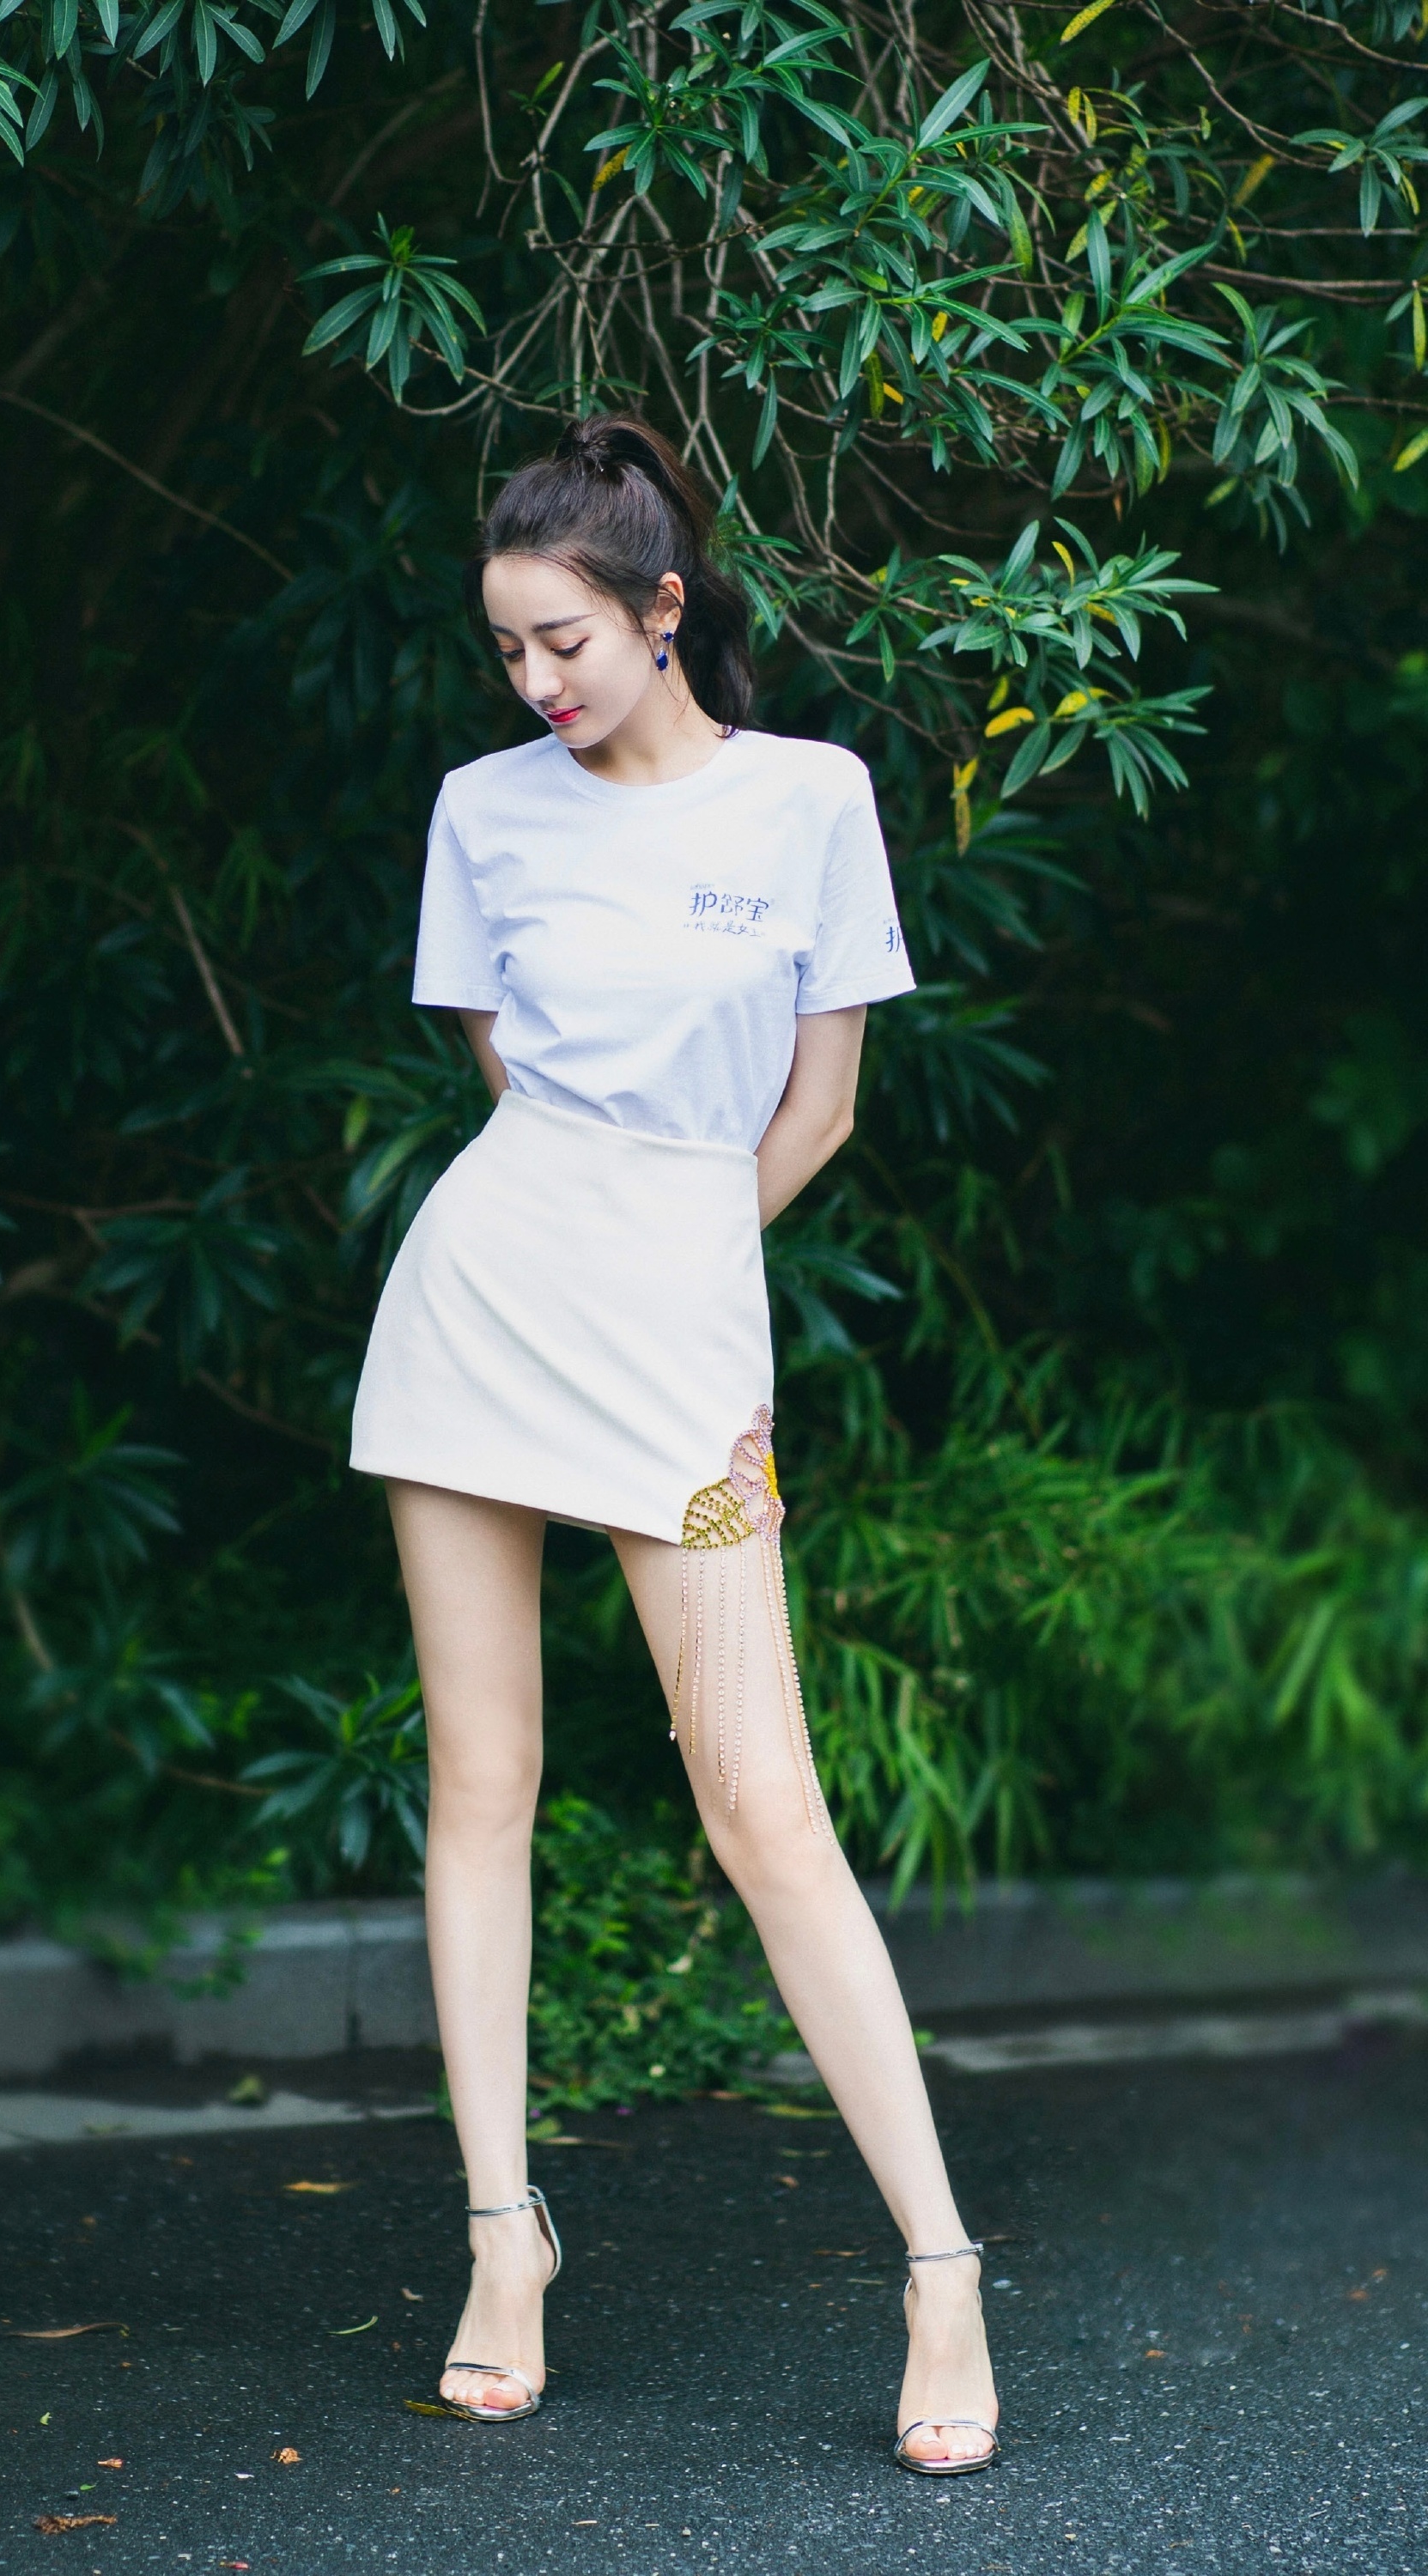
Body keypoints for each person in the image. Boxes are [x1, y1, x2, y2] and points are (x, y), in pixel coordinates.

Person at [349, 413, 999, 2475]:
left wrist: (690, 1275)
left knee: (762, 1807)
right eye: (505, 650)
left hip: (681, 1325)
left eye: (562, 640)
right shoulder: (481, 811)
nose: (533, 680)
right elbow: (509, 1080)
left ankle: (941, 2270)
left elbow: (819, 1106)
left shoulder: (810, 797)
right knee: (480, 1785)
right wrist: (606, 1234)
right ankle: (500, 2239)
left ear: (660, 609)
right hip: (483, 1301)